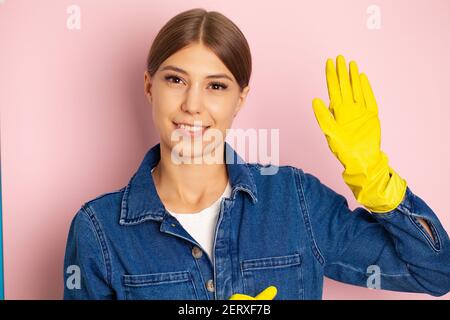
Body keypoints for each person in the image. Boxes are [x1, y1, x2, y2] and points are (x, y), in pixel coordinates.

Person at [63, 8, 450, 300]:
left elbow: (435, 273)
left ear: (240, 99)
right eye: (176, 79)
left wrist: (375, 177)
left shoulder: (296, 202)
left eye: (216, 86)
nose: (192, 104)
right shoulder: (99, 230)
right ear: (149, 86)